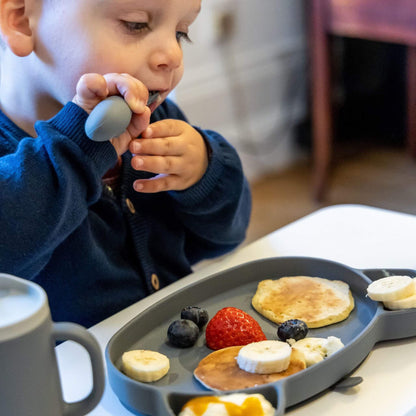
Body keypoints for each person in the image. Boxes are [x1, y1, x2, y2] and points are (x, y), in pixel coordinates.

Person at [0, 0, 251, 327]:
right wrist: (75, 151)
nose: (174, 56)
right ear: (22, 20)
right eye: (136, 24)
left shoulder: (155, 124)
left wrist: (204, 174)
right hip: (80, 373)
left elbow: (226, 237)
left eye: (181, 33)